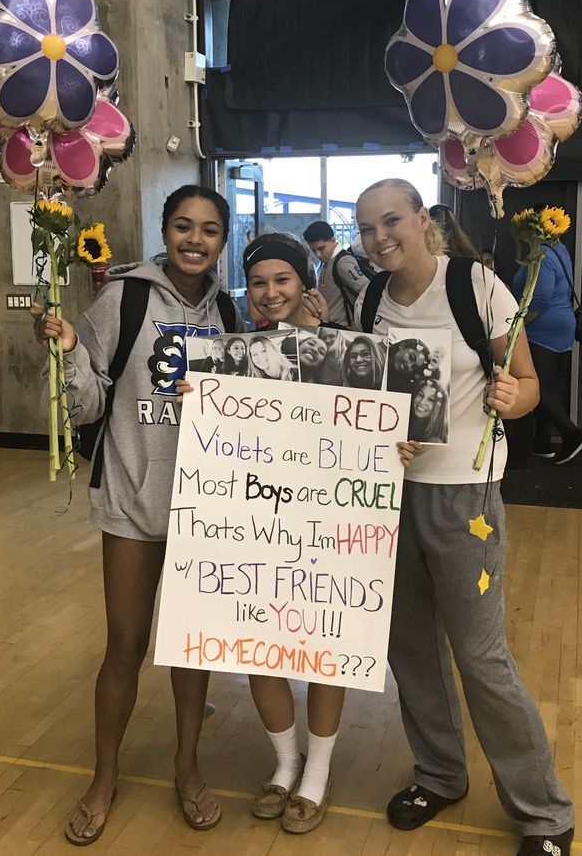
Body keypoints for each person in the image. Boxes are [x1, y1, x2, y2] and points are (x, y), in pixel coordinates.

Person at [354, 178, 575, 856]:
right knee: (409, 645)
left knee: (480, 655)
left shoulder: (478, 287)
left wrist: (513, 397)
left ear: (424, 219)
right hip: (388, 495)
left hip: (465, 494)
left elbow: (529, 385)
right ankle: (441, 773)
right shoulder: (367, 298)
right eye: (366, 228)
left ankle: (543, 810)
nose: (380, 237)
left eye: (391, 220)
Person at [31, 185, 243, 845]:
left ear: (222, 240)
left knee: (191, 648)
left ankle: (187, 766)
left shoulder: (229, 310)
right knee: (124, 645)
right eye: (184, 225)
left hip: (202, 509)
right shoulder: (122, 298)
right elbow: (88, 403)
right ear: (164, 228)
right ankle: (103, 777)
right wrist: (69, 348)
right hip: (131, 497)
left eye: (209, 229)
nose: (195, 239)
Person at [232, 232, 344, 833]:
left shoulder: (343, 351)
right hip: (251, 517)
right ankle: (285, 763)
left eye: (283, 280)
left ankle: (318, 773)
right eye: (259, 282)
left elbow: (375, 426)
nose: (272, 292)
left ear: (306, 283)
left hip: (328, 521)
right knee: (260, 646)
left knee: (324, 649)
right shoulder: (233, 353)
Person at [512, 217, 582, 465]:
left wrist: (519, 326)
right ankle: (542, 442)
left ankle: (572, 434)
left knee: (535, 387)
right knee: (547, 383)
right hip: (562, 325)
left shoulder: (542, 255)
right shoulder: (560, 249)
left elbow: (541, 299)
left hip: (542, 328)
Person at [302, 220, 367, 326]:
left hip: (343, 328)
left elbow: (367, 290)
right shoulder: (326, 262)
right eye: (314, 251)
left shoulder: (343, 262)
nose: (318, 254)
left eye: (321, 248)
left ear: (333, 240)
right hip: (329, 326)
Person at [407, 376, 448, 443]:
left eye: (431, 399)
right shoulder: (407, 420)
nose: (422, 402)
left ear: (440, 408)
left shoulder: (435, 440)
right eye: (420, 394)